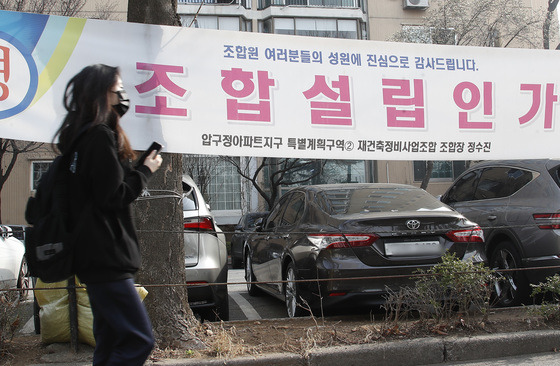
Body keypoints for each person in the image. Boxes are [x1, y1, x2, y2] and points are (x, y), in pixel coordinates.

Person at [54, 64, 162, 365]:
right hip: (106, 256)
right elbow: (113, 196)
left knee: (110, 338)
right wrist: (144, 171)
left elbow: (103, 189)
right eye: (118, 89)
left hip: (94, 256)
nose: (123, 95)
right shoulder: (99, 137)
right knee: (139, 339)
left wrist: (133, 167)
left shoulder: (79, 138)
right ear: (102, 94)